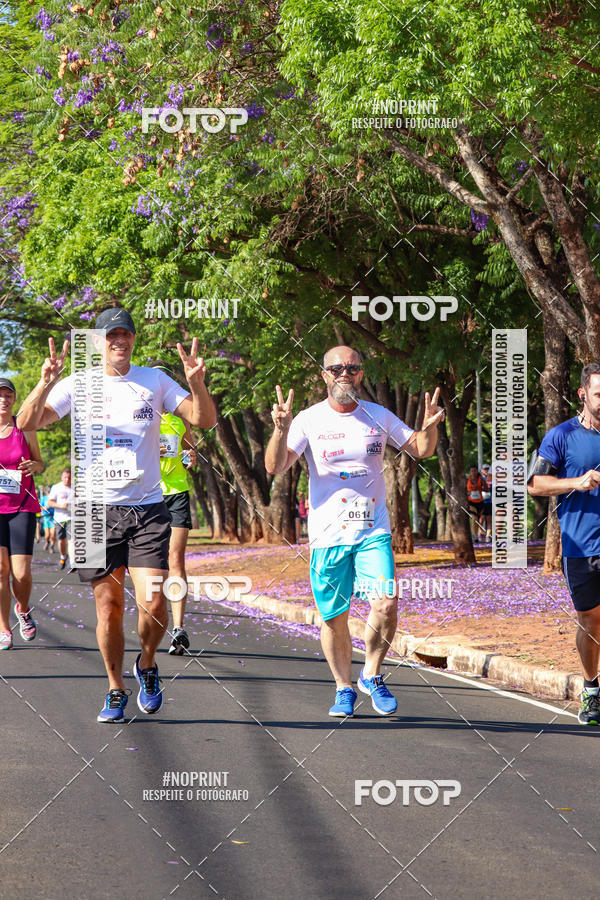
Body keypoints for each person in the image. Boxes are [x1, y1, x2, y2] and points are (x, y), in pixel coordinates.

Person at [17, 309, 216, 722]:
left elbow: (203, 420)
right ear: (98, 343)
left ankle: (146, 663)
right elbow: (26, 423)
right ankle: (114, 688)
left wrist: (196, 386)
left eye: (124, 334)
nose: (118, 341)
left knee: (155, 601)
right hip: (93, 512)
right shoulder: (78, 384)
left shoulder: (154, 380)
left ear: (134, 339)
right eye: (110, 336)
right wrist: (44, 382)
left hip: (147, 508)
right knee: (107, 608)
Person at [265, 346, 443, 718]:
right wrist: (280, 430)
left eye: (352, 368)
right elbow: (276, 466)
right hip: (327, 537)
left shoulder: (377, 416)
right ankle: (342, 687)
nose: (344, 373)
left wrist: (430, 424)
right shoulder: (307, 420)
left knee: (386, 603)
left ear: (361, 374)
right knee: (334, 619)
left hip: (371, 532)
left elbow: (421, 449)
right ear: (324, 375)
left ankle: (372, 674)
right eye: (336, 368)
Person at [528, 362, 600, 726]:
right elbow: (535, 484)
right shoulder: (561, 436)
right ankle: (591, 689)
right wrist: (576, 482)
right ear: (583, 394)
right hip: (581, 546)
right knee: (590, 620)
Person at [152, 361, 197, 656]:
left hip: (177, 492)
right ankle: (156, 621)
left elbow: (190, 448)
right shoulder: (141, 417)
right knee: (154, 566)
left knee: (175, 558)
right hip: (148, 495)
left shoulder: (181, 418)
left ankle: (178, 628)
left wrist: (188, 457)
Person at [0, 377, 43, 650]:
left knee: (20, 573)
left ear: (14, 400)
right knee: (0, 571)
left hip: (22, 506)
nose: (3, 399)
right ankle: (4, 629)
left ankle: (23, 608)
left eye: (8, 395)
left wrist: (33, 466)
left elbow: (40, 463)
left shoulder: (23, 427)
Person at [48, 468, 72, 569]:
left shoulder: (76, 488)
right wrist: (61, 506)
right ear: (62, 477)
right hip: (59, 518)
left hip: (72, 517)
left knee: (72, 540)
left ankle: (73, 560)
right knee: (61, 540)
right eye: (65, 477)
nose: (67, 480)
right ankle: (63, 557)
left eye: (69, 478)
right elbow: (50, 503)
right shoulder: (56, 487)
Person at [466, 465, 486, 542]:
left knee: (479, 519)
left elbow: (486, 489)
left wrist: (479, 488)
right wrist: (469, 492)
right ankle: (475, 536)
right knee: (474, 518)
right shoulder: (467, 480)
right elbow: (464, 490)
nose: (473, 472)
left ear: (477, 471)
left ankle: (476, 534)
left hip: (480, 502)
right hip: (471, 502)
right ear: (470, 472)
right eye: (472, 471)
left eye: (475, 471)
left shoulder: (480, 479)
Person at [40, 486, 56, 552]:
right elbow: (40, 507)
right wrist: (44, 508)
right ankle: (47, 541)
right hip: (46, 517)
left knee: (53, 534)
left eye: (50, 491)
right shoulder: (44, 498)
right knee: (47, 535)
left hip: (53, 517)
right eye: (48, 491)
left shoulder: (54, 498)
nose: (49, 492)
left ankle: (52, 547)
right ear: (46, 492)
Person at [481, 463, 492, 543]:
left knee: (489, 520)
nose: (486, 471)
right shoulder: (479, 479)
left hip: (490, 502)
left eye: (488, 469)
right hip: (480, 502)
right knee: (481, 519)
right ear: (482, 470)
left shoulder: (493, 479)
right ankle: (480, 534)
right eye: (485, 469)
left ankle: (488, 536)